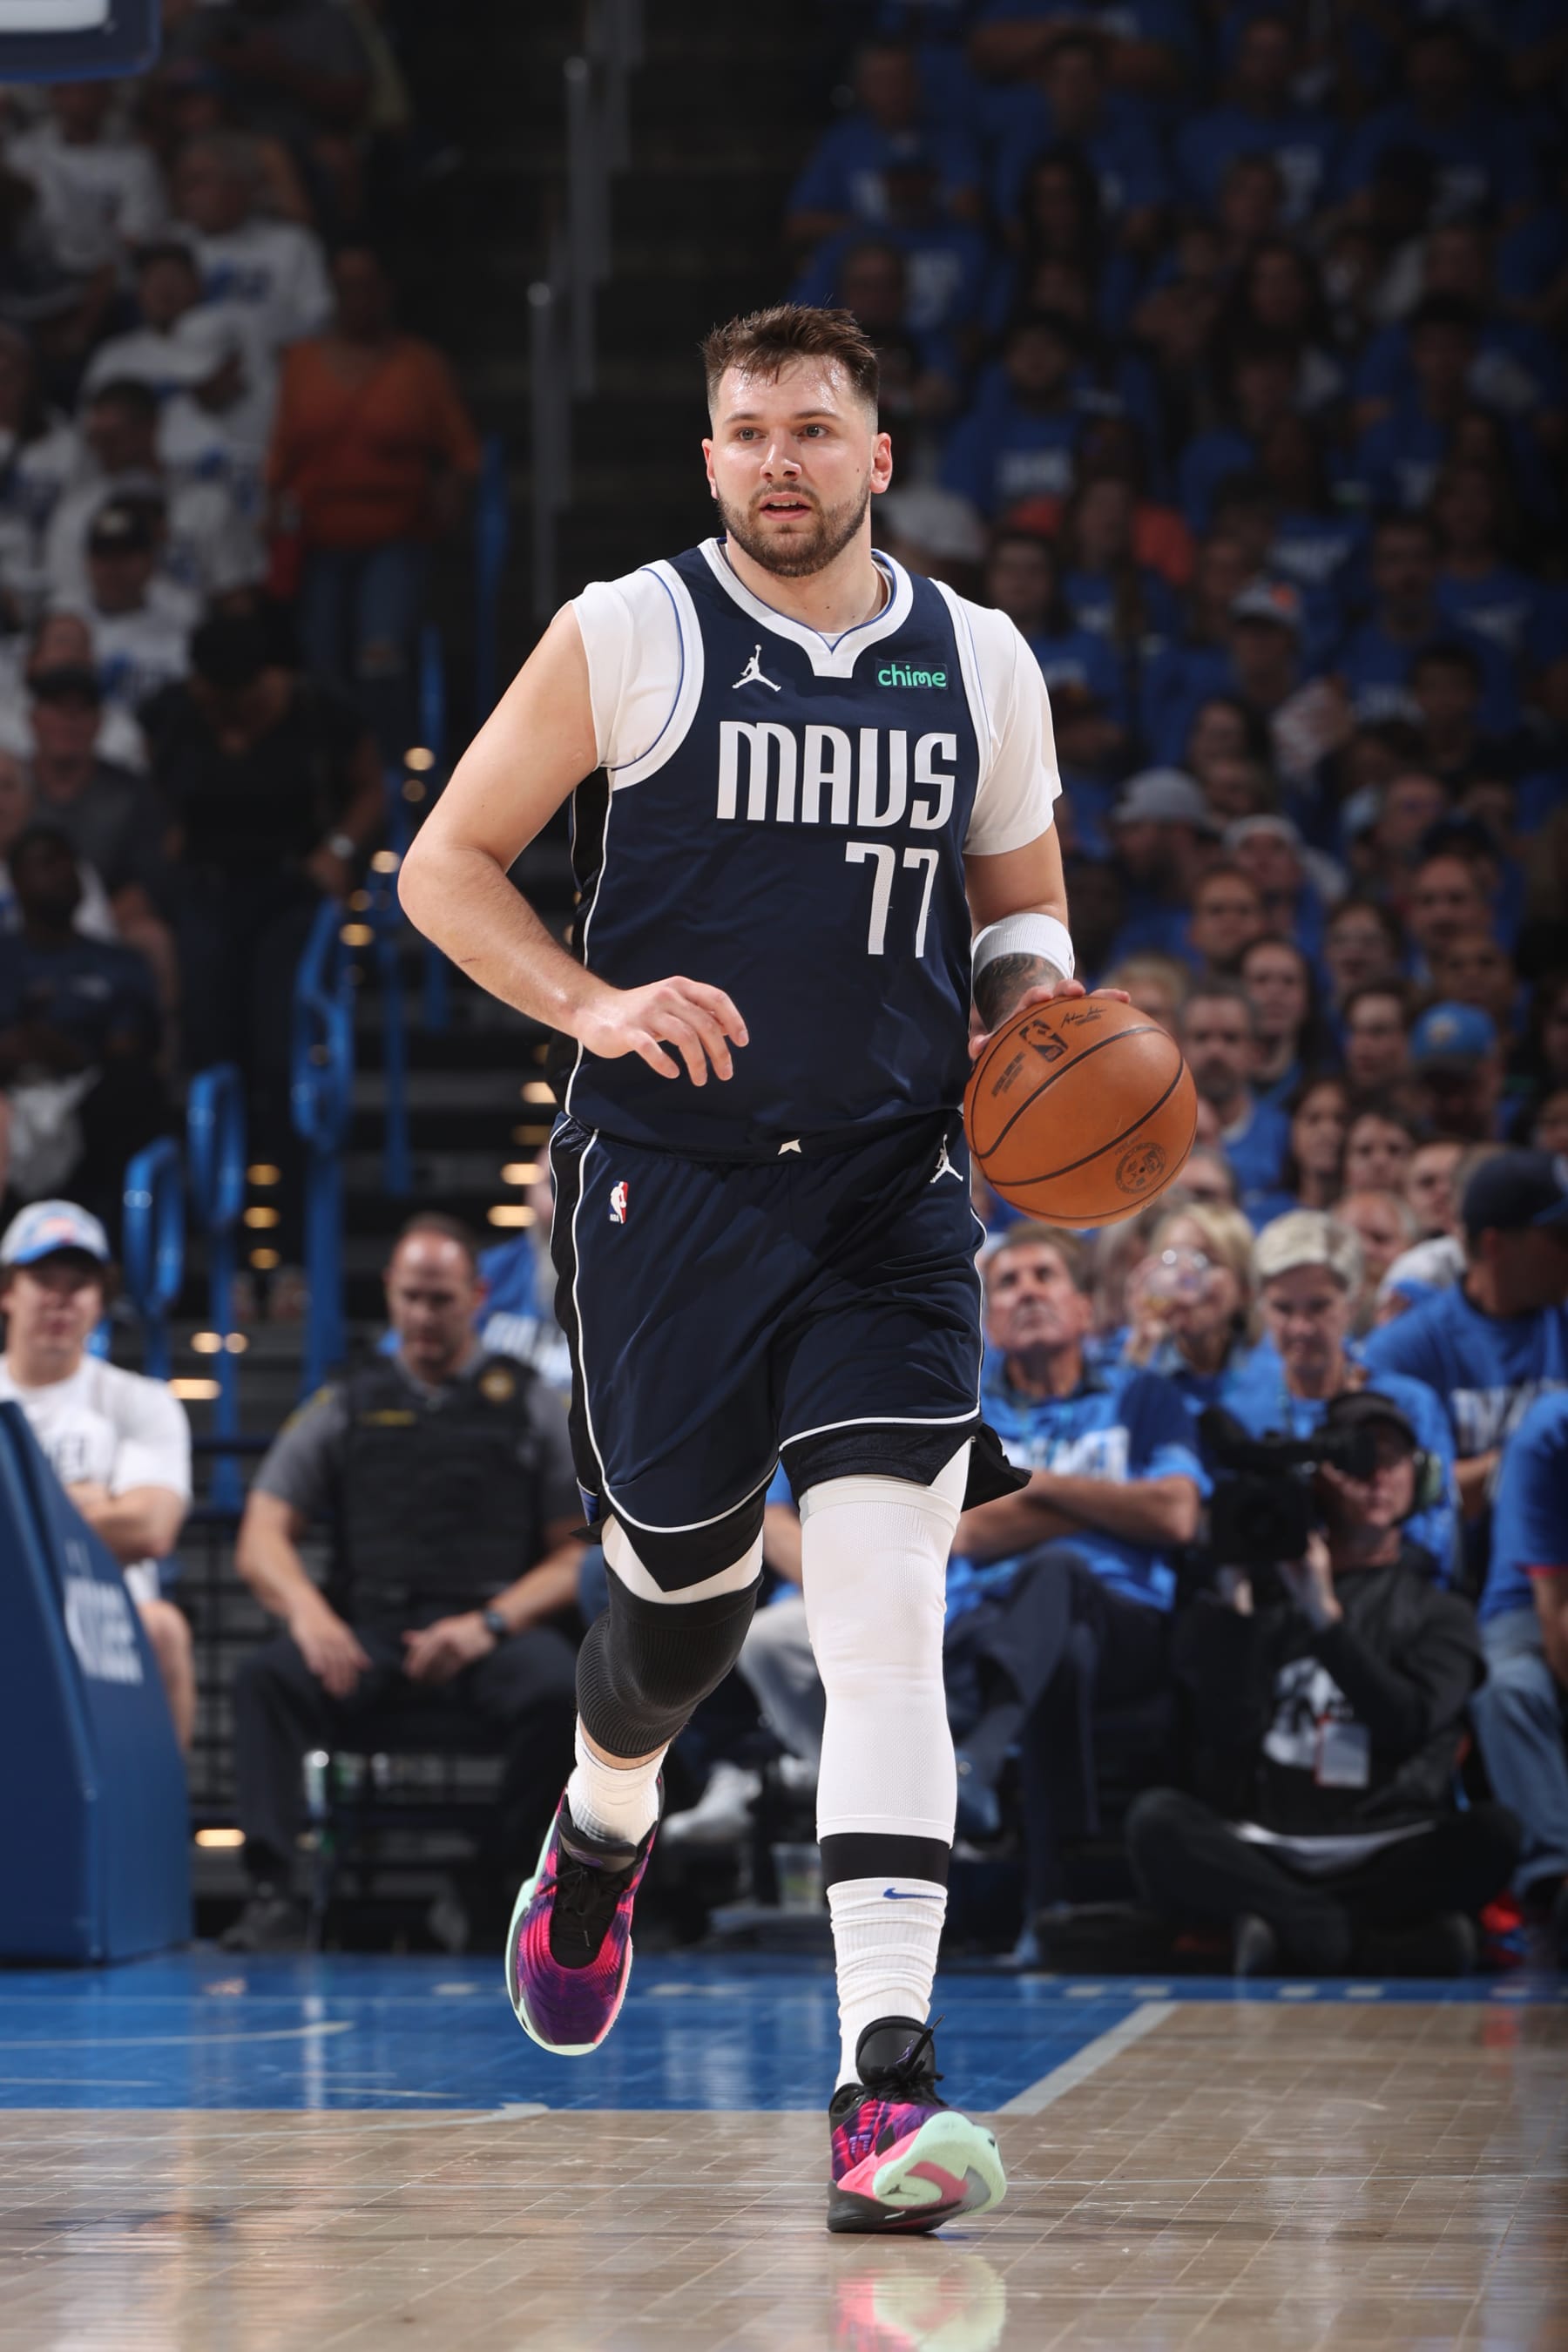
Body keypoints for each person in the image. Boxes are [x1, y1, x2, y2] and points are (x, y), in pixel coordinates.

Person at [396, 301, 1093, 2233]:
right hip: (668, 1195)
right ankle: (601, 1828)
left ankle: (886, 2090)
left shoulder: (982, 660)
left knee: (883, 1616)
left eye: (812, 427)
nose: (777, 457)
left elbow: (1024, 911)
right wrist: (594, 1003)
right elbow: (444, 868)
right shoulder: (630, 631)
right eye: (743, 430)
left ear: (878, 460)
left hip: (890, 1193)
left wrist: (1034, 1029)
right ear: (707, 463)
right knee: (675, 1613)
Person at [226, 1217, 585, 1953]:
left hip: (489, 1634)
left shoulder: (529, 1404)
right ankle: (274, 1897)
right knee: (265, 1680)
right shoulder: (347, 1401)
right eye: (412, 1297)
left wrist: (488, 1624)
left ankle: (496, 1886)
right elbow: (261, 1533)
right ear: (390, 1293)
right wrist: (309, 1616)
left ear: (478, 1297)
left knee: (566, 1693)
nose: (425, 1315)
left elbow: (575, 1556)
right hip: (369, 1635)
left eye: (442, 1299)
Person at [1127, 1390, 1517, 1976]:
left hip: (1388, 1841)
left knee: (1496, 1834)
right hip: (1270, 1842)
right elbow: (1226, 1736)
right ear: (1319, 1484)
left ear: (1423, 1477)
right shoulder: (1261, 1592)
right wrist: (1235, 1606)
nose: (1377, 1478)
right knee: (1155, 1822)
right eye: (1358, 1462)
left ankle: (1290, 1929)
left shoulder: (1442, 1611)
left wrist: (1326, 1620)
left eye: (1394, 1460)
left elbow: (1404, 1725)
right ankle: (1366, 1942)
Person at [942, 1226, 1205, 1930]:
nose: (1027, 1290)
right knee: (1061, 1641)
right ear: (988, 1318)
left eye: (1045, 1276)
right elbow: (969, 1532)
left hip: (1125, 1622)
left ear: (1087, 1309)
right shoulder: (969, 1413)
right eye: (1009, 1281)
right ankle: (1052, 1904)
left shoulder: (1145, 1396)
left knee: (1058, 1576)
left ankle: (983, 1766)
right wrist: (1108, 1506)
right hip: (986, 1625)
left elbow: (1178, 1514)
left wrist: (1039, 1487)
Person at [267, 246, 481, 754]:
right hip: (317, 540)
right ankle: (340, 771)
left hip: (395, 536)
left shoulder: (420, 366)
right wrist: (272, 514)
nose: (354, 298)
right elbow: (280, 453)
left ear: (386, 292)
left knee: (379, 656)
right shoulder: (300, 362)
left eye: (366, 285)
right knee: (321, 665)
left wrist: (448, 498)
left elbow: (464, 455)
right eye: (344, 286)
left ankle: (396, 770)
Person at [0, 1198, 193, 1746]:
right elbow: (120, 1524)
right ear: (8, 1290)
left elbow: (150, 1530)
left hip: (104, 1611)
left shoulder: (141, 1400)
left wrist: (21, 1514)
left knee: (163, 1628)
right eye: (44, 1278)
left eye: (79, 1282)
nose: (62, 1297)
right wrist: (84, 1505)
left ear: (101, 1300)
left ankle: (159, 1827)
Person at [1362, 1151, 1568, 1583]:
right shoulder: (1405, 1350)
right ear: (1495, 1245)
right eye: (1558, 1236)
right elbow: (1397, 1493)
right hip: (1447, 1589)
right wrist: (1530, 1460)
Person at [1220, 1213, 1458, 1581]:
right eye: (1283, 1309)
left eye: (1318, 1306)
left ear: (1352, 1302)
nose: (1300, 1327)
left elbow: (1438, 1531)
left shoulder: (1410, 1404)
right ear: (1260, 1307)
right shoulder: (1240, 1415)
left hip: (1392, 1600)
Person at [0, 826, 165, 1220]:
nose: (59, 874)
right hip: (9, 1101)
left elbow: (128, 1049)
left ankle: (117, 1246)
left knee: (130, 1091)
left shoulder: (118, 963)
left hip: (88, 1102)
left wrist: (60, 1050)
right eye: (44, 864)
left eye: (67, 864)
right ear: (16, 881)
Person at [1470, 1392, 1568, 1964]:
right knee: (1509, 1689)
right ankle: (1554, 1882)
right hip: (1530, 1610)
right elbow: (1557, 1622)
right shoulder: (1546, 1436)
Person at [1121, 1199, 1260, 1414]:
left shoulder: (1274, 1371)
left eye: (1207, 1261)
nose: (1185, 1275)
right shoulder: (1123, 1358)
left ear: (1245, 1288)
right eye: (1172, 1260)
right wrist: (1139, 1357)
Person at [1177, 979, 1291, 1222]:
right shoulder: (1148, 1132)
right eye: (1201, 1037)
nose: (1215, 1050)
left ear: (1256, 1053)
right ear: (1177, 1046)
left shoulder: (1285, 1136)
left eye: (1230, 1038)